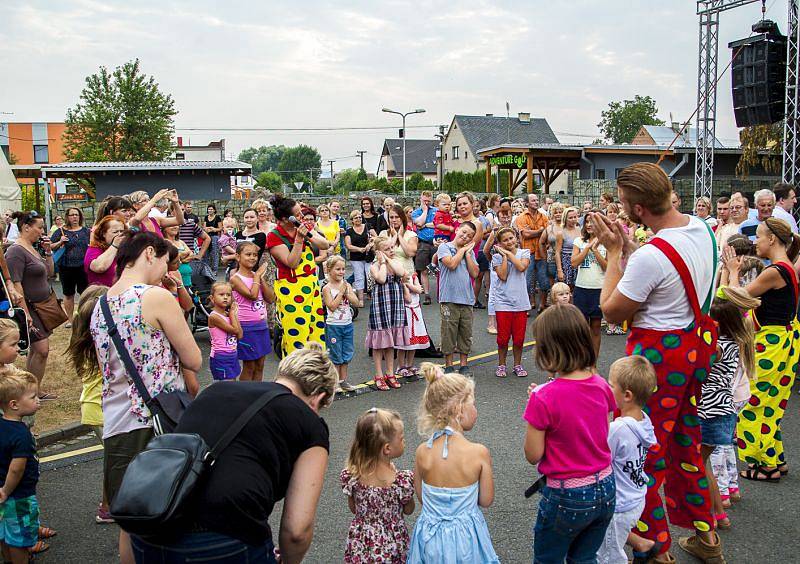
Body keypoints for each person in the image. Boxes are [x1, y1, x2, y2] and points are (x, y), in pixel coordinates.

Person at [591, 162, 722, 561]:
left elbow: (611, 311)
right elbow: (665, 268)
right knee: (685, 442)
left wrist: (614, 252)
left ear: (639, 210)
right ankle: (707, 536)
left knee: (641, 451)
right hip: (694, 349)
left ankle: (656, 550)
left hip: (658, 358)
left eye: (625, 204)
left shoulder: (652, 255)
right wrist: (632, 248)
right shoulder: (701, 228)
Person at [132, 345, 336, 563]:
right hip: (226, 537)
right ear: (318, 398)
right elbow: (297, 531)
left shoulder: (215, 390)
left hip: (151, 525)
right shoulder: (310, 422)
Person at [85, 231, 201, 564]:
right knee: (172, 512)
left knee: (131, 523)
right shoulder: (155, 297)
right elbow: (193, 359)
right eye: (165, 261)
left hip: (117, 424)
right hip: (157, 422)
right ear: (149, 253)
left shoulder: (100, 304)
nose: (166, 271)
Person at [523, 305, 616, 562]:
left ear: (549, 349)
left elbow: (534, 454)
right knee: (585, 558)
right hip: (605, 486)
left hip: (567, 493)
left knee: (548, 558)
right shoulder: (601, 385)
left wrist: (536, 408)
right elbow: (591, 425)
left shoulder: (543, 397)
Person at [721, 217, 800, 483]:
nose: (756, 241)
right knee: (772, 403)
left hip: (772, 342)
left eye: (759, 236)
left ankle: (764, 464)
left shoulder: (774, 271)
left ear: (772, 240)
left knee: (754, 402)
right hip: (785, 340)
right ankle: (774, 457)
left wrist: (732, 272)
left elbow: (736, 297)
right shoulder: (786, 267)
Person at [407, 363, 498, 564]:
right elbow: (486, 500)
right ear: (458, 410)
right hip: (467, 539)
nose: (475, 409)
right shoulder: (478, 453)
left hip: (429, 538)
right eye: (473, 403)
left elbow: (422, 496)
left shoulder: (423, 451)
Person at [699, 286, 759, 529]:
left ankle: (713, 515)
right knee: (705, 463)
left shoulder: (717, 347)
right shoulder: (737, 341)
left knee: (699, 464)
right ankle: (719, 515)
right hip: (725, 409)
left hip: (709, 410)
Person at [597, 355, 658, 564]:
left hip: (618, 505)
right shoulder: (644, 421)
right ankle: (643, 544)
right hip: (635, 497)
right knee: (611, 532)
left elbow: (597, 452)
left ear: (627, 395)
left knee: (607, 555)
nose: (606, 388)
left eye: (611, 385)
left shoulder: (618, 429)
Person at [66, 285, 115, 524]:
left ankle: (110, 502)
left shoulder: (82, 338)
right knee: (114, 460)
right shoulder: (99, 344)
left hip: (94, 406)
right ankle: (107, 507)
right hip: (100, 409)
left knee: (113, 458)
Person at [341, 408, 415, 563]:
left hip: (361, 542)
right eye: (401, 438)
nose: (404, 441)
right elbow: (409, 510)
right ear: (387, 448)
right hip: (392, 544)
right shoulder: (400, 481)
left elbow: (354, 508)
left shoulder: (352, 476)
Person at [267, 195, 330, 356]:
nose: (301, 217)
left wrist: (309, 233)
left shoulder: (303, 226)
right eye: (297, 214)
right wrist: (299, 239)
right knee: (297, 335)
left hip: (311, 286)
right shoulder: (274, 236)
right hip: (291, 289)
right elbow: (292, 262)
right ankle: (294, 374)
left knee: (316, 330)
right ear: (284, 218)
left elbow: (324, 245)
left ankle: (315, 372)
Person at [6, 211, 58, 397]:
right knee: (41, 350)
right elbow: (16, 283)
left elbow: (50, 271)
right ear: (26, 227)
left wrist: (48, 250)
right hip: (30, 308)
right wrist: (25, 313)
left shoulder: (32, 247)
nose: (42, 231)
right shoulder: (16, 251)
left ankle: (32, 390)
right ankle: (31, 391)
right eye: (40, 227)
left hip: (42, 306)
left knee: (38, 351)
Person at [0, 368, 46, 562]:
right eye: (33, 396)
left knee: (4, 534)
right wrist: (6, 491)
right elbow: (17, 468)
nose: (38, 400)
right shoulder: (22, 434)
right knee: (19, 540)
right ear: (14, 404)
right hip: (18, 496)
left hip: (3, 493)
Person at [365, 235, 408, 391]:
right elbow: (381, 279)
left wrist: (388, 260)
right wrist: (382, 261)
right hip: (380, 306)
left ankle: (390, 373)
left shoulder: (395, 262)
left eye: (391, 247)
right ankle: (378, 374)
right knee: (378, 344)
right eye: (386, 249)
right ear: (378, 252)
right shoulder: (374, 266)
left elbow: (401, 272)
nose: (391, 250)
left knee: (390, 342)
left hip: (395, 305)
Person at [437, 222, 478, 375]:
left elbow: (474, 273)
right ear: (458, 229)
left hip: (466, 298)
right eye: (464, 232)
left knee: (465, 332)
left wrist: (468, 254)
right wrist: (463, 250)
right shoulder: (445, 247)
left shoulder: (469, 252)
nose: (465, 236)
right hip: (449, 298)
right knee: (448, 332)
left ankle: (463, 364)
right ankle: (448, 364)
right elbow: (452, 264)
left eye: (469, 236)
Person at [231, 241, 274, 382]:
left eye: (255, 255)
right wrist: (257, 277)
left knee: (260, 365)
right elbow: (252, 295)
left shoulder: (256, 276)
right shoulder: (235, 278)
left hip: (261, 325)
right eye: (248, 254)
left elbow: (271, 298)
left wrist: (259, 278)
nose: (252, 258)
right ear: (238, 257)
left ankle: (257, 394)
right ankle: (245, 397)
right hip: (246, 327)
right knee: (249, 365)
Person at [490, 227, 531, 378]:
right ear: (500, 243)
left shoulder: (524, 253)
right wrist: (504, 256)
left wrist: (508, 253)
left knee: (519, 338)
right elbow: (503, 276)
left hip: (520, 302)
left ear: (516, 238)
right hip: (503, 302)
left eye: (511, 238)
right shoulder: (497, 257)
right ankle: (501, 365)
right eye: (505, 240)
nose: (509, 242)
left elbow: (521, 267)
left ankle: (517, 364)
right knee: (503, 338)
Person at [571, 212, 607, 357]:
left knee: (596, 327)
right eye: (587, 222)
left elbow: (607, 267)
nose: (589, 224)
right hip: (581, 288)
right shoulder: (579, 241)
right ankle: (582, 360)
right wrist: (586, 248)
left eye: (593, 221)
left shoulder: (607, 242)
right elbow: (574, 263)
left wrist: (595, 250)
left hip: (598, 289)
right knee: (582, 328)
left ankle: (593, 363)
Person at [322, 256, 360, 392]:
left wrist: (347, 292)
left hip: (347, 324)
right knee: (335, 354)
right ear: (329, 270)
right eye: (338, 269)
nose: (341, 272)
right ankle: (335, 382)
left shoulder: (346, 285)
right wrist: (341, 293)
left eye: (343, 269)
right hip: (334, 325)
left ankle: (343, 380)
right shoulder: (327, 288)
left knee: (346, 353)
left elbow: (356, 303)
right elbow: (331, 306)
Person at [50, 207, 90, 325]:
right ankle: (70, 319)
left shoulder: (86, 231)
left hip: (82, 267)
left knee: (85, 293)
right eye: (72, 215)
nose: (74, 217)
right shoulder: (61, 231)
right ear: (67, 217)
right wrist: (60, 241)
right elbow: (51, 246)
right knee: (68, 294)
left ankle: (83, 317)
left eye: (76, 215)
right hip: (66, 267)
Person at [484, 198, 516, 334]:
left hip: (512, 264)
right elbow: (486, 249)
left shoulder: (515, 230)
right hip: (497, 266)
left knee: (510, 291)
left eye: (508, 215)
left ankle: (507, 321)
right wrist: (493, 262)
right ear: (498, 216)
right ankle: (491, 323)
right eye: (503, 215)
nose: (506, 218)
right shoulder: (495, 231)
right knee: (494, 293)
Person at [515, 194, 548, 312]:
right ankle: (527, 304)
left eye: (537, 200)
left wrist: (532, 231)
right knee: (527, 281)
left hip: (541, 252)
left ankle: (542, 304)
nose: (536, 202)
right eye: (533, 200)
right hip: (528, 252)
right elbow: (525, 234)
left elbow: (547, 232)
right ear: (527, 203)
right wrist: (540, 231)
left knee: (543, 280)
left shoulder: (544, 216)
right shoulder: (521, 217)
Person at [395, 271, 429, 379]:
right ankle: (401, 366)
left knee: (414, 343)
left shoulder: (414, 277)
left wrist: (408, 284)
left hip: (415, 310)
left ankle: (409, 364)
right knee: (403, 344)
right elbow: (408, 299)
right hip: (406, 312)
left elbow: (419, 290)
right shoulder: (399, 283)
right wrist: (405, 286)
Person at [207, 281, 243, 381]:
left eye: (228, 295)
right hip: (220, 357)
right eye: (221, 295)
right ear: (212, 298)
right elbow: (235, 330)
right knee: (226, 386)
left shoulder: (228, 314)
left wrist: (233, 315)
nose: (226, 297)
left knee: (233, 383)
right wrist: (232, 313)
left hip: (232, 355)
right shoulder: (214, 316)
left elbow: (240, 335)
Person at [84, 216, 125, 287]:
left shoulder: (124, 249)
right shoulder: (94, 249)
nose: (119, 235)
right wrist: (114, 245)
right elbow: (100, 267)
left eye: (122, 231)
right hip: (101, 294)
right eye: (115, 232)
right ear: (103, 233)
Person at [411, 191, 437, 304]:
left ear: (431, 200)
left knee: (439, 269)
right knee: (423, 270)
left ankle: (442, 293)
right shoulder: (416, 212)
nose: (426, 203)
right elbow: (419, 223)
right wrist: (425, 211)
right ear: (420, 199)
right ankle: (427, 294)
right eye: (424, 201)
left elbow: (438, 224)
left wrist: (425, 225)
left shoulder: (437, 211)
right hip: (423, 243)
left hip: (436, 242)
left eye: (428, 201)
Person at [345, 209, 374, 306]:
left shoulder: (367, 227)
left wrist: (370, 244)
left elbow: (376, 238)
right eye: (356, 217)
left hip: (369, 256)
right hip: (356, 258)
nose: (358, 219)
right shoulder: (349, 231)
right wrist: (359, 249)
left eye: (359, 217)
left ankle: (373, 296)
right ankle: (360, 299)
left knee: (371, 276)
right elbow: (348, 246)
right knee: (359, 277)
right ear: (352, 220)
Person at [379, 205, 418, 278]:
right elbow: (380, 254)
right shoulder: (383, 234)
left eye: (397, 217)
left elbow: (410, 253)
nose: (394, 220)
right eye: (391, 217)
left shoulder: (411, 235)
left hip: (406, 276)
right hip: (388, 275)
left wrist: (399, 236)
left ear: (402, 218)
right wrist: (394, 236)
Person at [539, 201, 564, 303]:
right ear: (552, 214)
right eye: (556, 212)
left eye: (560, 212)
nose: (558, 214)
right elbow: (541, 242)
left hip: (565, 258)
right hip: (551, 259)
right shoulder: (549, 228)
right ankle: (553, 305)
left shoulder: (567, 226)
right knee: (553, 285)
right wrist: (544, 256)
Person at [162, 224, 193, 292]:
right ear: (164, 229)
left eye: (176, 225)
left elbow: (191, 254)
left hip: (187, 277)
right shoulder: (165, 242)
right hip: (175, 276)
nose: (175, 227)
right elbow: (175, 255)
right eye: (171, 225)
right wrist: (183, 254)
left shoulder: (180, 241)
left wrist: (182, 260)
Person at [556, 206, 580, 289]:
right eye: (570, 218)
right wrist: (560, 270)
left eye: (575, 217)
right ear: (565, 218)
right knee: (566, 288)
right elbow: (557, 252)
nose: (573, 219)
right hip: (566, 262)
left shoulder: (580, 230)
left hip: (578, 260)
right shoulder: (561, 233)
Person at [203, 204, 223, 272]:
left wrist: (214, 229)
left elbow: (220, 228)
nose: (210, 210)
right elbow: (204, 227)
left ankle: (215, 270)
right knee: (206, 253)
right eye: (209, 209)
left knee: (215, 253)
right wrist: (207, 229)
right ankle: (206, 270)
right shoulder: (206, 217)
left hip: (215, 237)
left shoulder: (217, 218)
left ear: (214, 210)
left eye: (211, 209)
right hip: (207, 237)